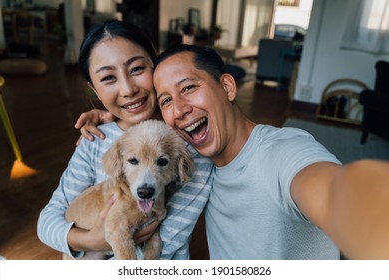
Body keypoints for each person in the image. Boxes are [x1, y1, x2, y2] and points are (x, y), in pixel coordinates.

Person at [78, 44, 389, 260]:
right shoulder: (188, 153)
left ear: (227, 87)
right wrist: (109, 117)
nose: (181, 109)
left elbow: (335, 189)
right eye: (166, 100)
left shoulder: (284, 150)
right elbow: (148, 144)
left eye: (188, 87)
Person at [37, 21, 213, 260]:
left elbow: (167, 247)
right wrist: (91, 240)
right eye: (109, 77)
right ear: (94, 90)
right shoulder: (94, 140)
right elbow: (47, 222)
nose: (128, 89)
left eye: (136, 69)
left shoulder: (186, 145)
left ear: (155, 64)